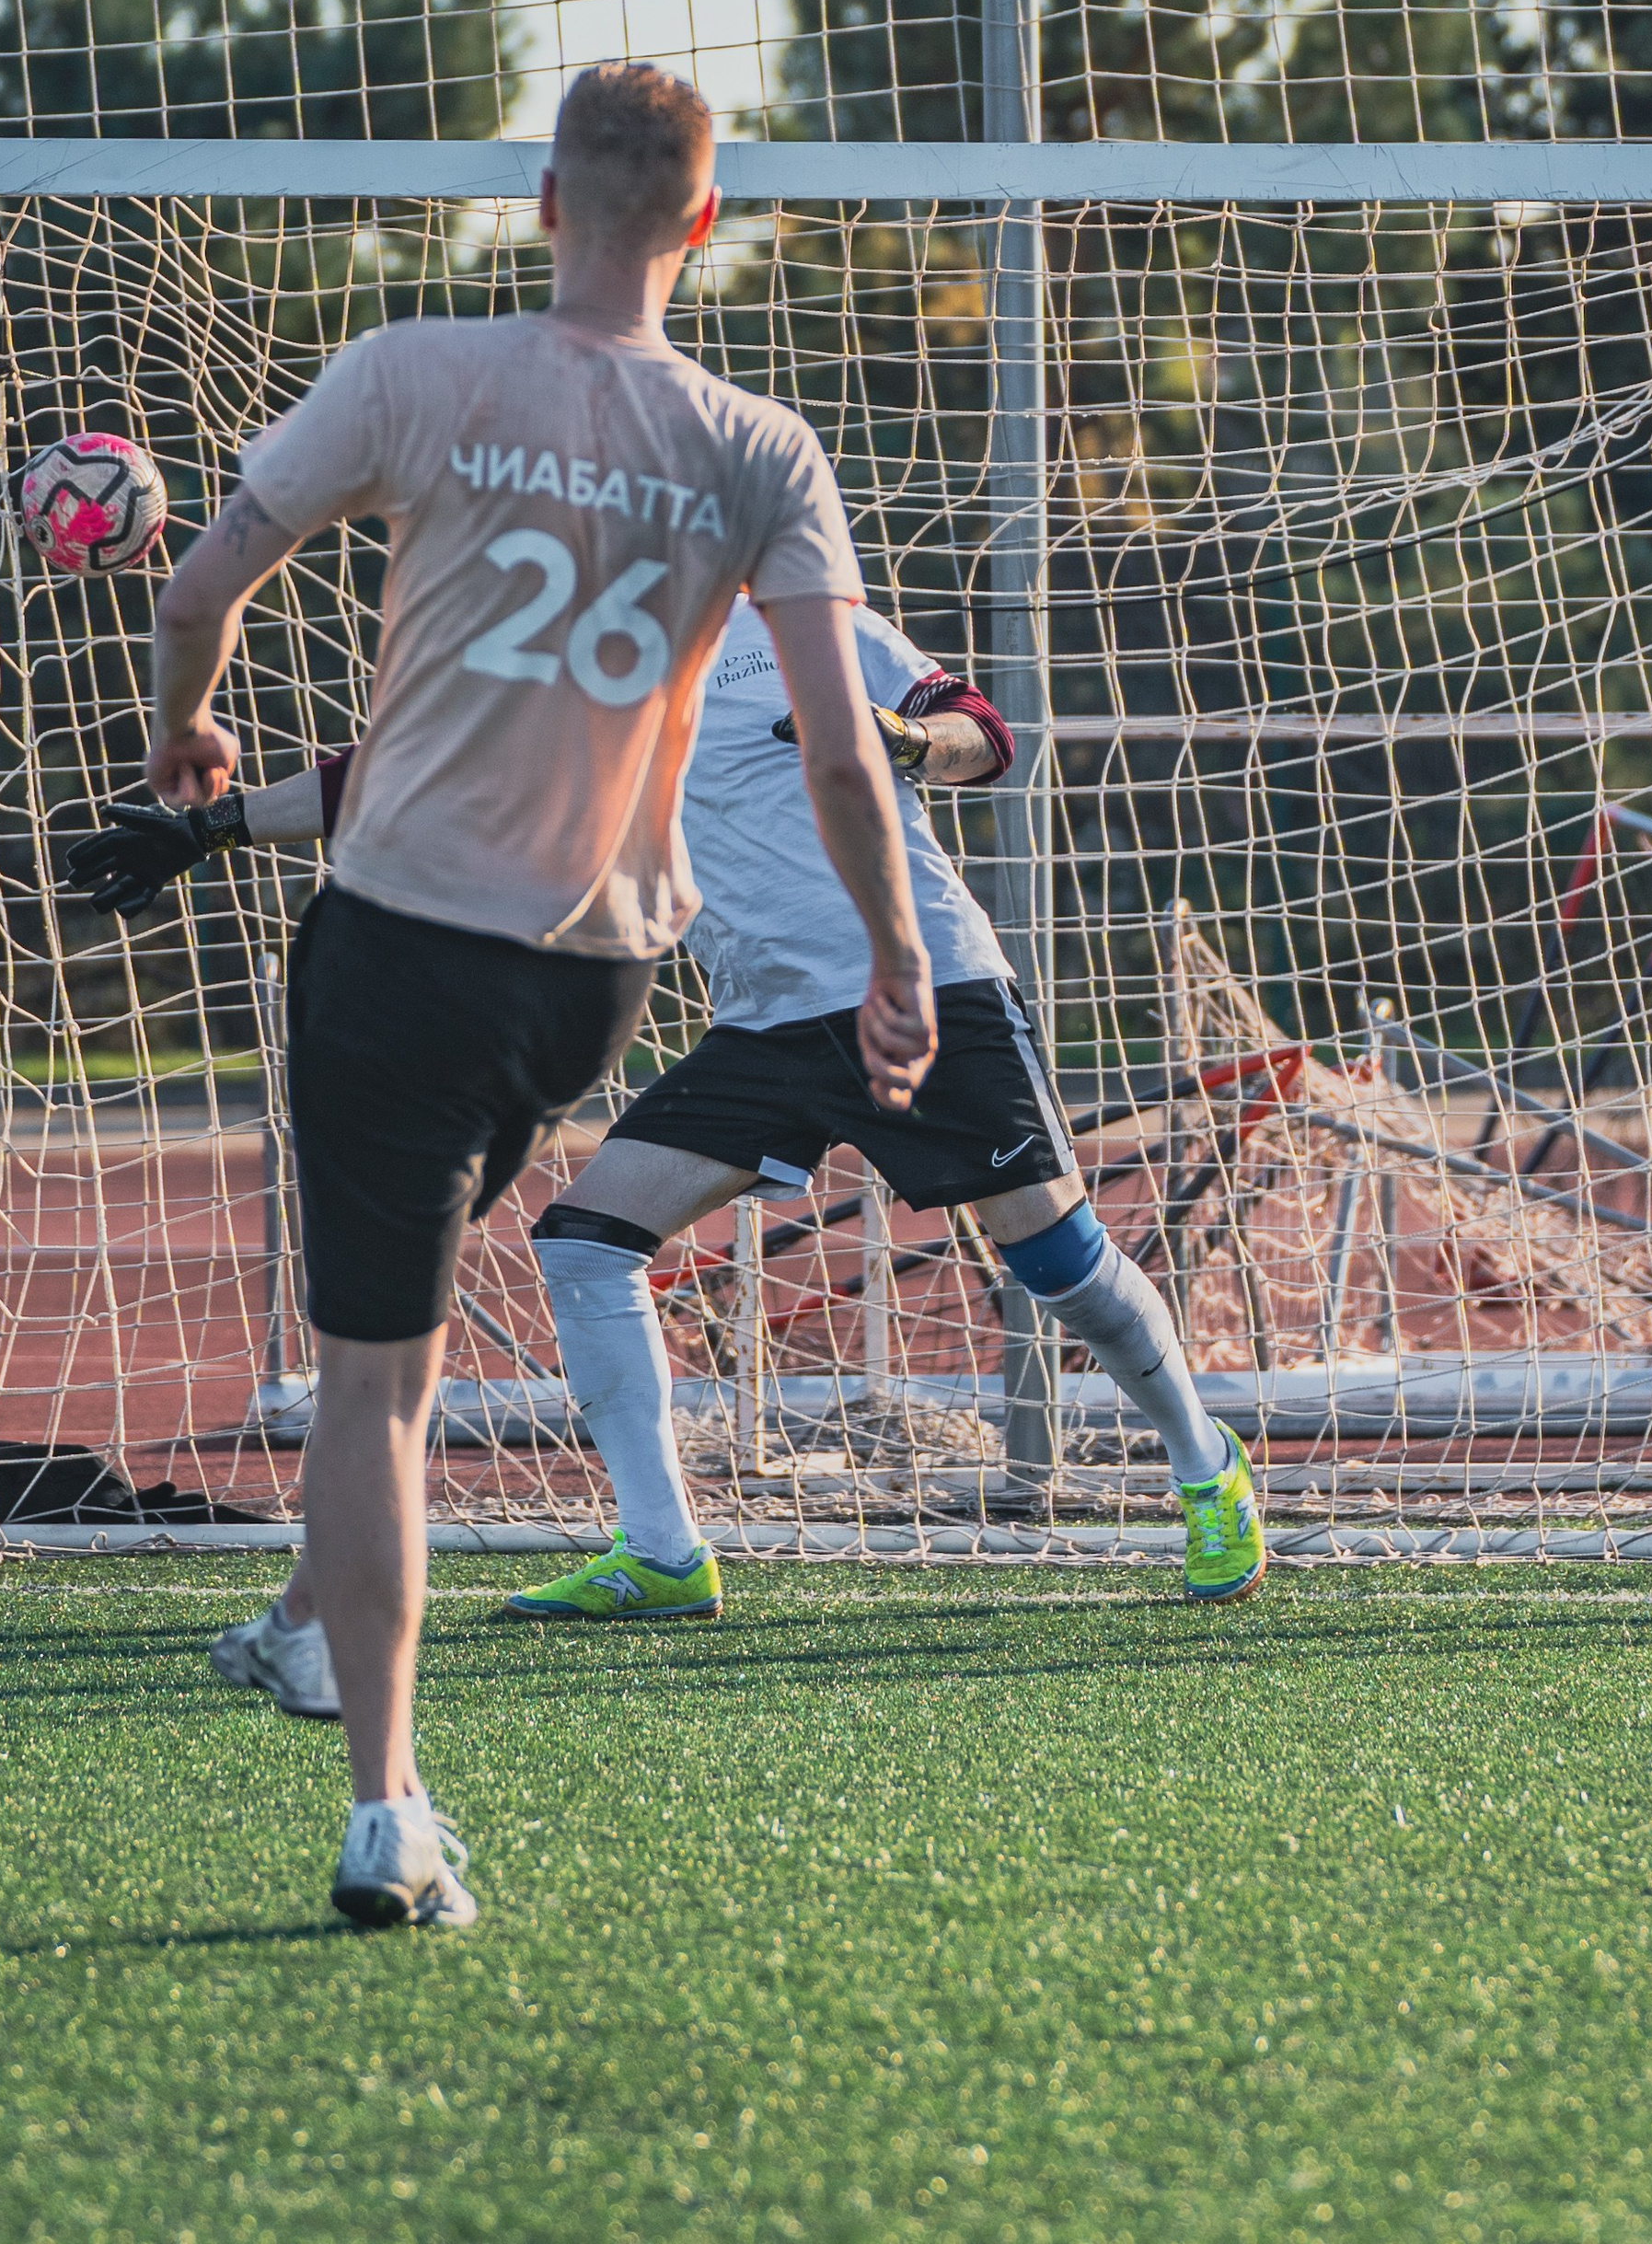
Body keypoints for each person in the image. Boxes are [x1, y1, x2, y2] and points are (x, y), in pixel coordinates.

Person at [122, 62, 935, 1931]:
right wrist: (895, 955)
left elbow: (197, 587)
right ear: (704, 220)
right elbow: (837, 750)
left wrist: (185, 736)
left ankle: (384, 1798)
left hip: (401, 941)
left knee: (376, 1378)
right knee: (388, 1349)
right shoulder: (761, 447)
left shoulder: (415, 368)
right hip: (595, 980)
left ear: (545, 200)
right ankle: (306, 1625)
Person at [72, 595, 1265, 1656]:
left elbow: (981, 734)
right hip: (766, 1026)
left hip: (925, 985)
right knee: (587, 1240)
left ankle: (1208, 1471)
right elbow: (400, 770)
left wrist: (901, 740)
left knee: (1055, 1261)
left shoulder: (812, 627)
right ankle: (661, 1550)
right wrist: (208, 831)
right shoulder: (589, 675)